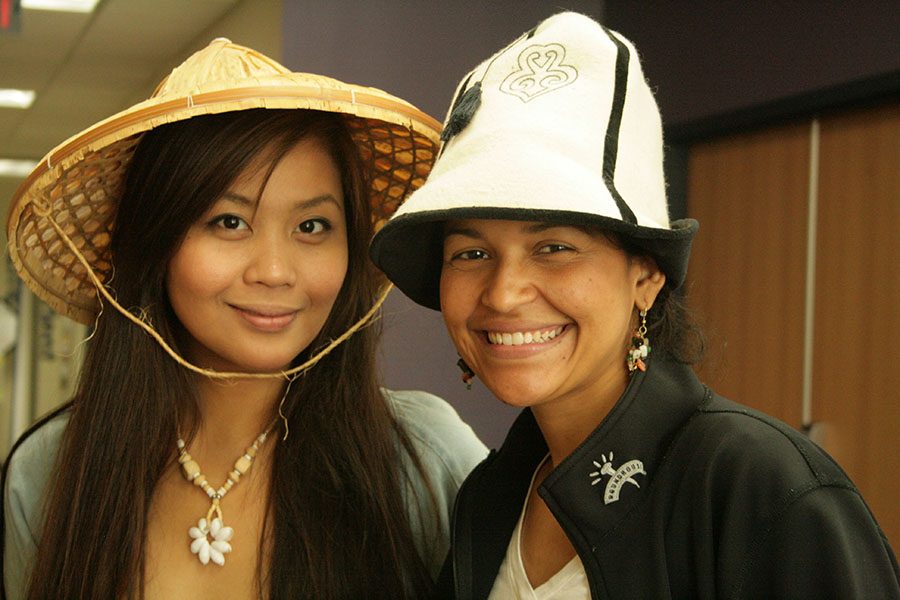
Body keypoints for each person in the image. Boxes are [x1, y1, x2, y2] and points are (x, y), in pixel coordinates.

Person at [370, 12, 900, 599]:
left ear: (646, 275)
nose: (503, 292)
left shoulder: (759, 488)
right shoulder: (491, 494)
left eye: (554, 247)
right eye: (470, 253)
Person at [2, 39, 487, 599]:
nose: (275, 271)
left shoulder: (421, 459)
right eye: (229, 222)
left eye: (312, 227)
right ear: (153, 242)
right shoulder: (51, 472)